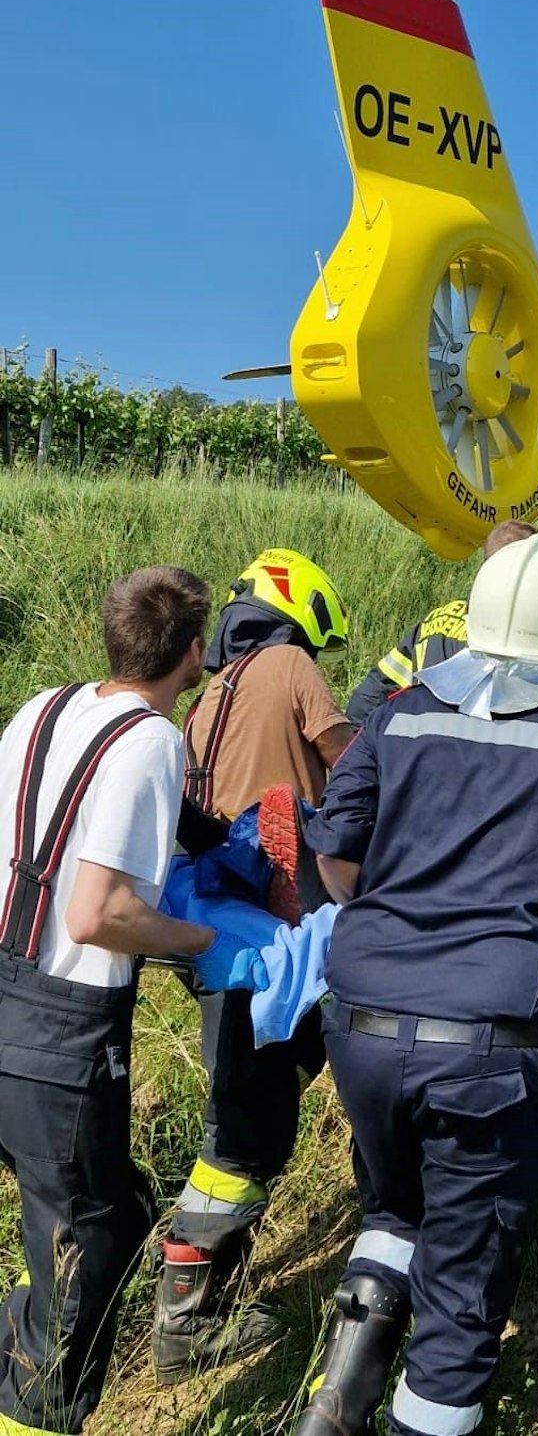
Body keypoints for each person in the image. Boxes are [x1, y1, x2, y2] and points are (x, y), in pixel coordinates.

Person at [291, 534, 538, 1436]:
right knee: (465, 1278)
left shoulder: (397, 715)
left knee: (394, 1202)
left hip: (360, 1024)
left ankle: (337, 1404)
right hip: (485, 1044)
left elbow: (332, 852)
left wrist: (398, 919)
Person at [0, 567, 267, 1436]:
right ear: (195, 652)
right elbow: (101, 911)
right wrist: (206, 940)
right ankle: (31, 1416)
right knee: (88, 1251)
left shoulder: (42, 709)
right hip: (61, 1030)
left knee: (113, 1206)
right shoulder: (153, 740)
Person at [152, 548, 356, 1382]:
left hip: (219, 941)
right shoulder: (290, 663)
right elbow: (353, 760)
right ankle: (185, 1320)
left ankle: (205, 1291)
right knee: (246, 1124)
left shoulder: (206, 700)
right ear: (297, 614)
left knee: (244, 1100)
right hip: (282, 932)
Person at [346, 520, 537, 725]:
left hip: (418, 745)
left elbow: (376, 689)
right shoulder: (510, 636)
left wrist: (358, 740)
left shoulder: (437, 618)